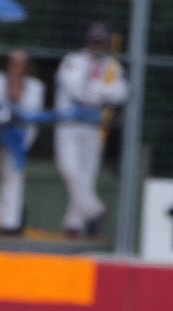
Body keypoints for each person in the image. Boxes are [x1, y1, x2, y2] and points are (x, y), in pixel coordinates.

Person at [54, 22, 129, 238]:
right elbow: (73, 87)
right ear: (88, 42)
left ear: (107, 44)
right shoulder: (73, 60)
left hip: (94, 127)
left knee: (86, 175)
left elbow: (122, 93)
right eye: (93, 41)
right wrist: (101, 93)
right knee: (69, 168)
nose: (97, 46)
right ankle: (94, 210)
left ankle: (74, 224)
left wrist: (95, 90)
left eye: (101, 42)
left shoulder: (113, 66)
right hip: (69, 124)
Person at [0, 50, 45, 235]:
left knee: (13, 176)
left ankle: (10, 223)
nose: (17, 67)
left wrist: (20, 145)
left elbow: (32, 121)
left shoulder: (35, 88)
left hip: (16, 139)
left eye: (21, 63)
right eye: (13, 62)